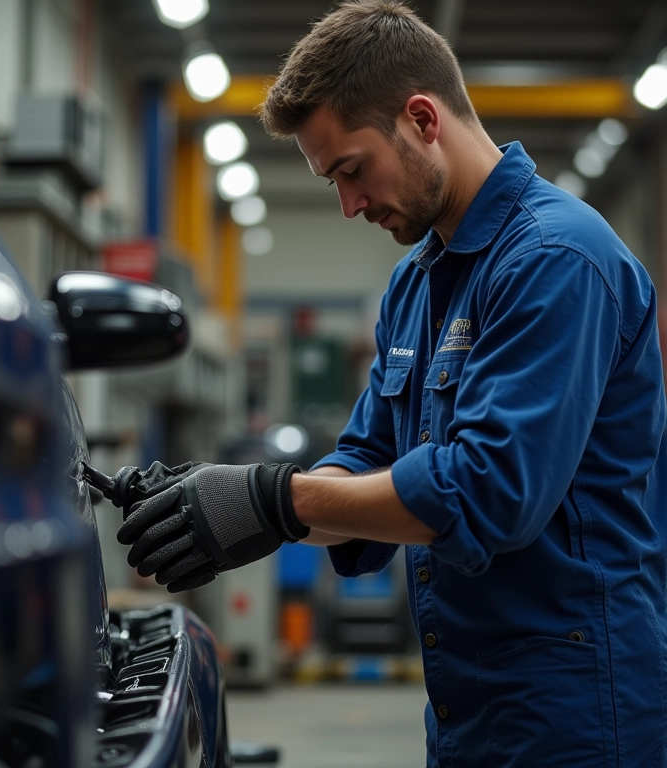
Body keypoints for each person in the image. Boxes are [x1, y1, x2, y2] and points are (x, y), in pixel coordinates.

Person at [116, 1, 667, 765]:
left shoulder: (555, 259)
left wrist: (278, 499)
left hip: (578, 713)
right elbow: (364, 461)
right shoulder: (414, 287)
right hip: (466, 709)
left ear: (422, 119)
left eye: (351, 170)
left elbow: (488, 491)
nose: (349, 205)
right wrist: (229, 502)